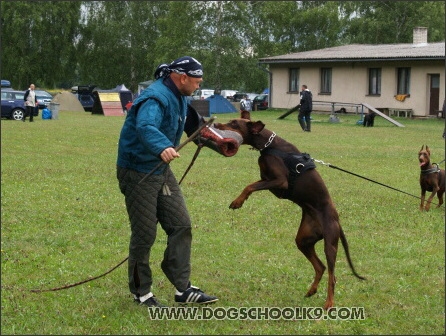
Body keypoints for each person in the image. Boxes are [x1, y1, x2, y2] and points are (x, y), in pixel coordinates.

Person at [116, 56, 218, 308]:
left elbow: (195, 126)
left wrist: (223, 142)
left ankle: (183, 288)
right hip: (138, 170)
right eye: (196, 81)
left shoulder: (181, 97)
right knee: (144, 234)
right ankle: (141, 292)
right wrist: (162, 146)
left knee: (181, 224)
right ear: (182, 78)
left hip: (160, 169)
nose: (198, 86)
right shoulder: (155, 97)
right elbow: (146, 125)